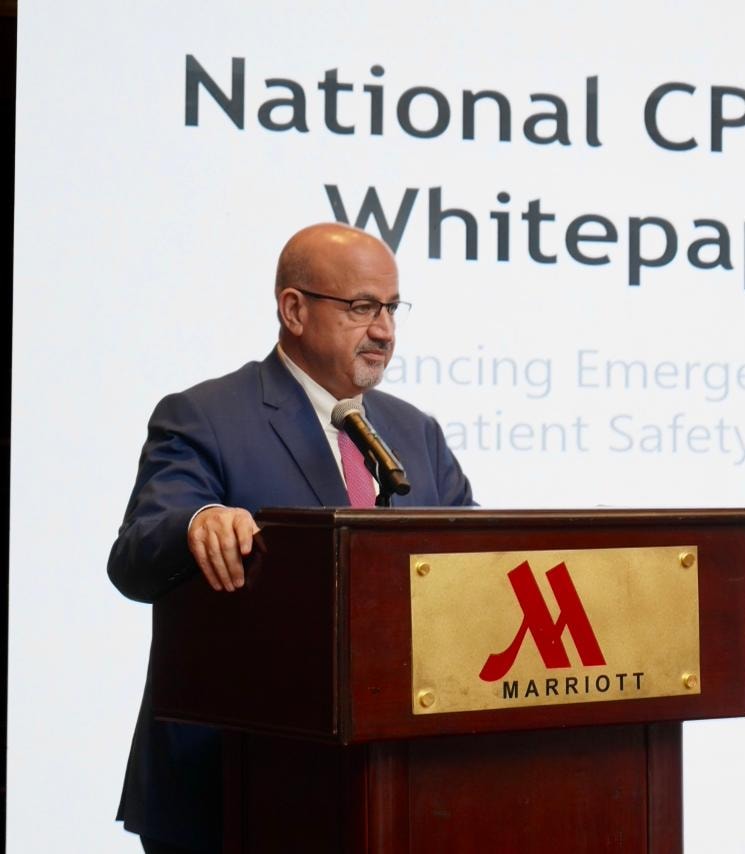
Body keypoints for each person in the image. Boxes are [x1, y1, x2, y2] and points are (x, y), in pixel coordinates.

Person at [107, 223, 474, 853]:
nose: (385, 330)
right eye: (362, 307)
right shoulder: (206, 416)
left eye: (392, 308)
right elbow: (135, 554)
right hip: (229, 790)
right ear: (294, 310)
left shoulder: (416, 433)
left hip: (387, 789)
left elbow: (474, 565)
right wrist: (198, 523)